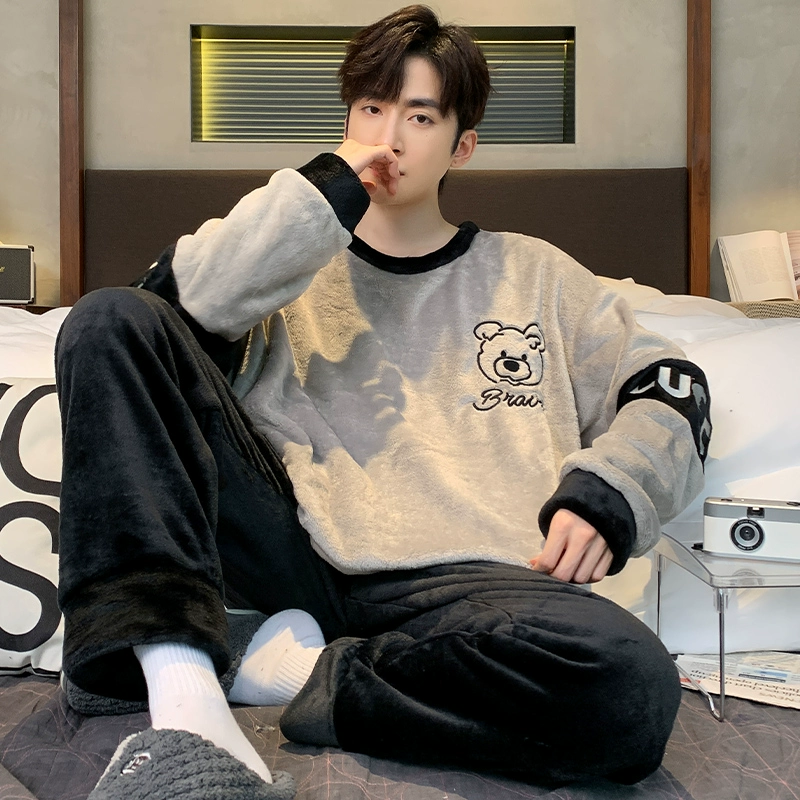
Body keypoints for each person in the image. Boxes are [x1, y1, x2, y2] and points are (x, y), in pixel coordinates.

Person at [55, 6, 712, 799]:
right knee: (108, 317)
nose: (389, 137)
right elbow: (160, 311)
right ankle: (179, 683)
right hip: (295, 552)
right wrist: (325, 194)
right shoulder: (280, 260)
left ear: (462, 146)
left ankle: (296, 671)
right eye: (371, 108)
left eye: (420, 116)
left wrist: (609, 493)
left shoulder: (537, 274)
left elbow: (670, 387)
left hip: (475, 584)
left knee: (629, 687)